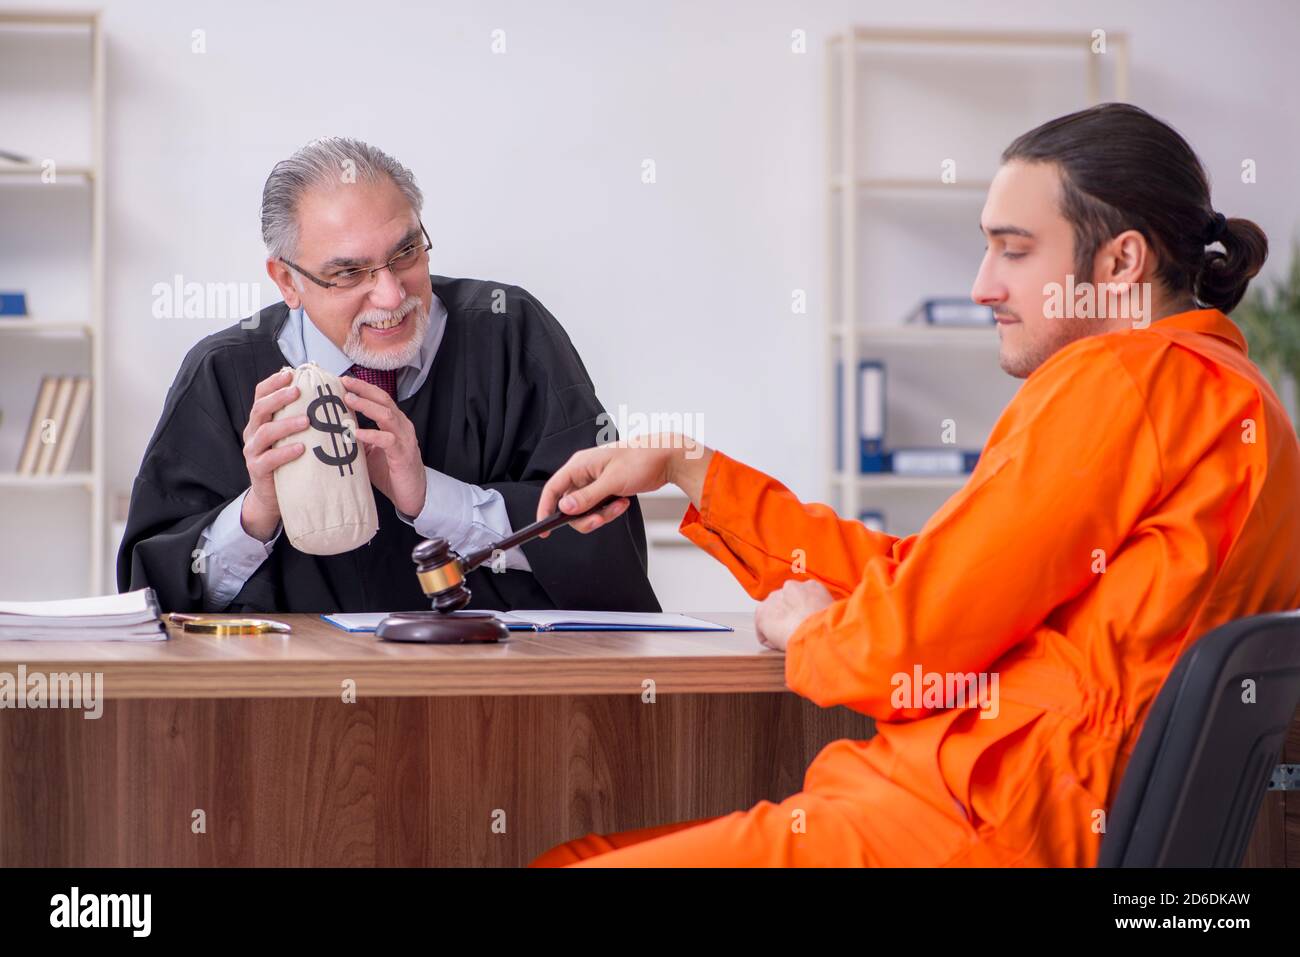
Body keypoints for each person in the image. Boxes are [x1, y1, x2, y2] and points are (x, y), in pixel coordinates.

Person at [529, 104, 1300, 866]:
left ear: (1120, 262)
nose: (982, 287)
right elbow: (928, 580)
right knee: (583, 852)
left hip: (980, 826)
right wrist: (690, 469)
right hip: (1011, 819)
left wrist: (808, 633)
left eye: (1014, 251)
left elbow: (906, 648)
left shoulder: (1124, 381)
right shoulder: (1238, 399)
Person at [117, 137, 660, 614]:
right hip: (298, 709)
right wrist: (255, 515)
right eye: (349, 272)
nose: (392, 296)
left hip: (497, 699)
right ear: (287, 280)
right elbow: (155, 602)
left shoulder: (509, 332)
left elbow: (603, 543)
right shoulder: (223, 373)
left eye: (405, 254)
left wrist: (431, 499)